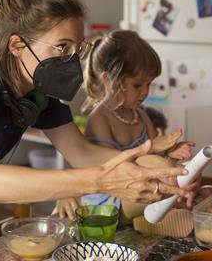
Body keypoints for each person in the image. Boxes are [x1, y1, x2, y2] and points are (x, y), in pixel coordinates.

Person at [0, 0, 190, 245]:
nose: (72, 60)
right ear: (17, 45)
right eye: (62, 47)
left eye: (77, 48)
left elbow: (82, 151)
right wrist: (101, 181)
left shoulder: (37, 92)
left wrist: (150, 164)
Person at [53, 30, 195, 221]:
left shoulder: (141, 115)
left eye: (149, 84)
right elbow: (110, 170)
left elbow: (156, 157)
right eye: (137, 85)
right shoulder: (100, 118)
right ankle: (172, 210)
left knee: (188, 169)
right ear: (108, 79)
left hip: (138, 191)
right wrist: (157, 156)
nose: (145, 92)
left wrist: (171, 151)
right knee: (169, 174)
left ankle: (173, 211)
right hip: (108, 201)